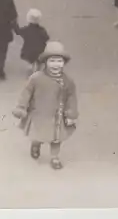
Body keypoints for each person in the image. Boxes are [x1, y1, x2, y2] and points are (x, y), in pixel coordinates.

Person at [12, 41, 78, 170]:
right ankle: (36, 144)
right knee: (38, 135)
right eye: (52, 61)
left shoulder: (67, 81)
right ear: (45, 62)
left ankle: (55, 157)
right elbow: (26, 92)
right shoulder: (36, 78)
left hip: (57, 115)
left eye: (59, 61)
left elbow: (71, 97)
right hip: (39, 114)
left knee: (56, 138)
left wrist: (71, 112)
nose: (56, 64)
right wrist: (21, 107)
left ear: (64, 63)